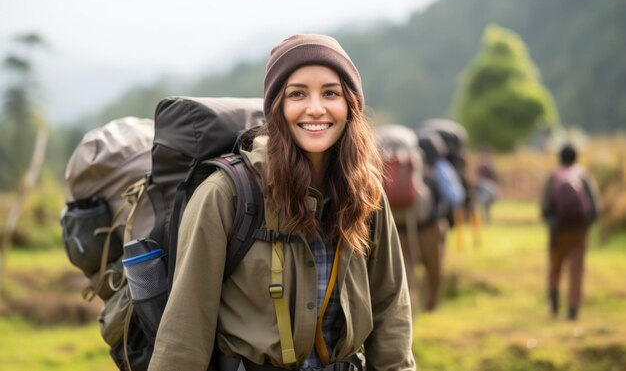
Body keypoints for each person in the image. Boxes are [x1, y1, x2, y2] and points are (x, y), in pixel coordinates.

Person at [148, 34, 416, 371]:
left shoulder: (365, 194)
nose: (315, 108)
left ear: (350, 105)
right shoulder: (226, 195)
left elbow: (390, 307)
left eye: (330, 93)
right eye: (298, 94)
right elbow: (185, 332)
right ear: (277, 107)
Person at [540, 143, 600, 321]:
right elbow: (595, 206)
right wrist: (587, 224)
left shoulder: (553, 176)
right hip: (579, 229)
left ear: (559, 157)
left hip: (558, 230)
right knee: (576, 270)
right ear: (576, 157)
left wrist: (551, 222)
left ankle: (554, 303)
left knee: (555, 266)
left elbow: (545, 206)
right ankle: (572, 310)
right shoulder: (583, 175)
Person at [474, 146, 499, 224]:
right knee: (483, 206)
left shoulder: (488, 166)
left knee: (486, 206)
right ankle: (484, 220)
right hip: (483, 187)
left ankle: (487, 220)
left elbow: (494, 177)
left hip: (487, 187)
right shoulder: (482, 165)